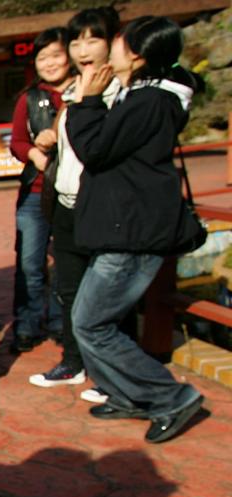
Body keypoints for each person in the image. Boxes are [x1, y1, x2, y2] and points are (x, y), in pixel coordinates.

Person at [67, 16, 205, 443]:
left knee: (91, 324)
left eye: (119, 42)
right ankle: (130, 395)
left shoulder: (148, 102)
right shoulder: (141, 97)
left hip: (133, 233)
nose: (111, 49)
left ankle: (171, 397)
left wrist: (86, 102)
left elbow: (93, 148)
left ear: (139, 55)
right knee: (91, 321)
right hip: (125, 228)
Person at [31, 6, 123, 397]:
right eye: (77, 40)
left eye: (93, 38)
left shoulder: (122, 91)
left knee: (103, 298)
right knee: (68, 289)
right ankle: (73, 363)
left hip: (102, 207)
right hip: (66, 205)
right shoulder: (70, 94)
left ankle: (109, 375)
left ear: (115, 42)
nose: (83, 49)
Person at [9, 26, 73, 353]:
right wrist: (35, 153)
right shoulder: (29, 98)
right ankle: (28, 323)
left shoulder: (85, 92)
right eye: (42, 57)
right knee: (30, 264)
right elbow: (17, 142)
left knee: (66, 263)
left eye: (56, 55)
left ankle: (63, 324)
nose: (49, 63)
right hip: (35, 192)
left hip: (73, 193)